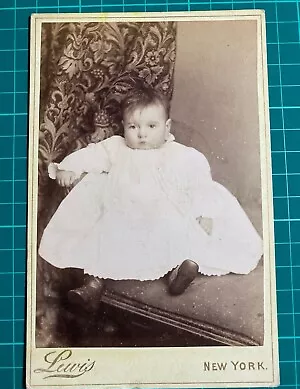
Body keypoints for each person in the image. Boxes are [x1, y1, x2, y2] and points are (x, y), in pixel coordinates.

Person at [39, 86, 263, 307]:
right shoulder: (117, 148)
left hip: (160, 215)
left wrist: (204, 213)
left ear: (166, 128)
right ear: (123, 127)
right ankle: (93, 284)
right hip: (123, 214)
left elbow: (200, 185)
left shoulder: (179, 155)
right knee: (102, 238)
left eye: (151, 126)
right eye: (133, 126)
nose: (142, 134)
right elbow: (91, 155)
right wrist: (69, 168)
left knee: (175, 235)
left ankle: (177, 273)